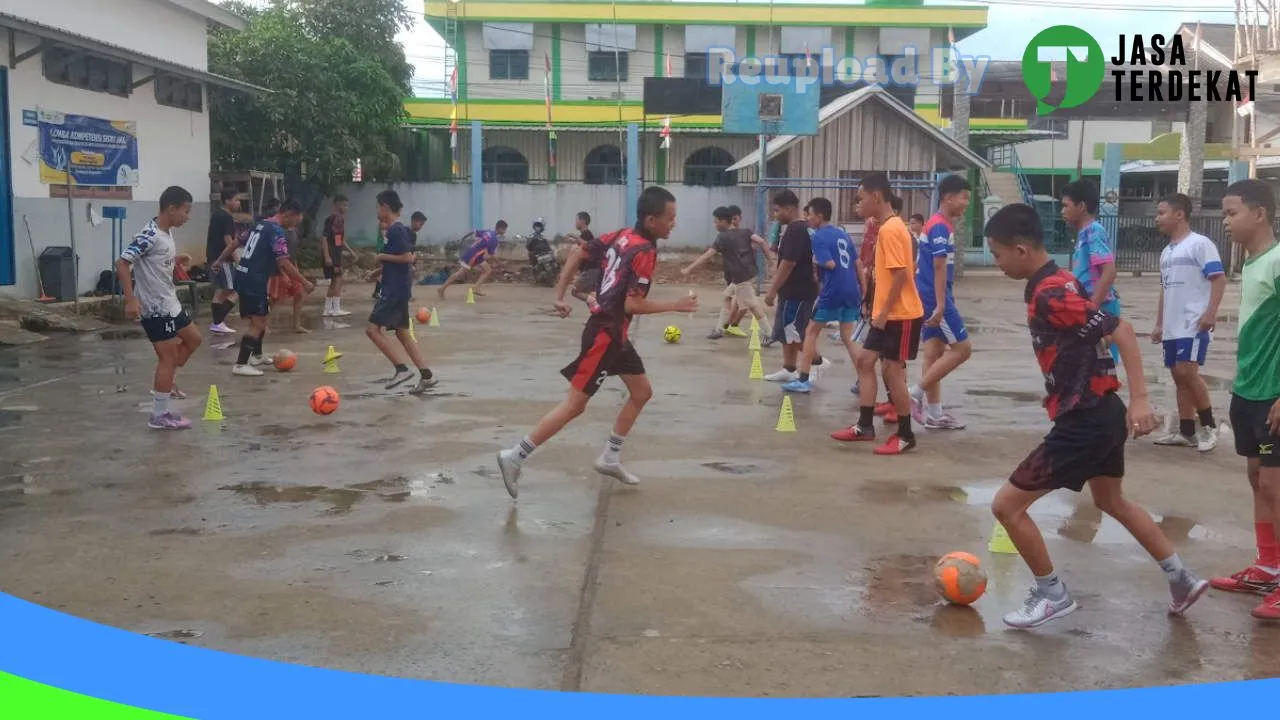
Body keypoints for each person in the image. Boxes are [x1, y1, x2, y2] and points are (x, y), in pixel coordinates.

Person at [981, 202, 1208, 629]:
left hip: (1086, 418)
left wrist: (1141, 399)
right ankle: (1182, 578)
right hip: (1100, 412)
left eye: (997, 254)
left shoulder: (1051, 291)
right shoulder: (1056, 281)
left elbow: (1119, 329)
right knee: (1111, 500)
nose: (997, 264)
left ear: (1023, 249)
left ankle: (1052, 594)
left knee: (1007, 507)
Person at [495, 187, 698, 499]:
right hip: (605, 335)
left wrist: (560, 295)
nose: (674, 223)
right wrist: (677, 305)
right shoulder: (644, 251)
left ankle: (610, 457)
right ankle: (515, 456)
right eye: (670, 218)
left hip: (615, 336)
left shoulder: (621, 235)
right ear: (651, 219)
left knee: (642, 392)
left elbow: (579, 253)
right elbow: (633, 305)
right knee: (575, 405)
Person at [1209, 179, 1280, 618]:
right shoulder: (1252, 264)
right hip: (1248, 390)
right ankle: (1268, 566)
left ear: (1260, 214)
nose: (1226, 221)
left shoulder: (1276, 261)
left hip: (1273, 393)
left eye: (1232, 213)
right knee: (1257, 478)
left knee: (1275, 483)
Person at [831, 173, 922, 454]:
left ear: (876, 196)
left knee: (893, 372)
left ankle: (906, 434)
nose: (857, 204)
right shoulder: (887, 227)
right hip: (886, 315)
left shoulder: (892, 229)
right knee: (865, 363)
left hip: (900, 315)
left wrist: (882, 314)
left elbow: (900, 276)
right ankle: (865, 426)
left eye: (860, 198)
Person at [117, 186, 204, 430]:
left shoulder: (165, 233)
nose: (188, 217)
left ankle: (168, 384)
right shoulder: (149, 234)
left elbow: (153, 261)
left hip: (170, 303)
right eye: (186, 211)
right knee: (166, 359)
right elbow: (122, 264)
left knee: (194, 339)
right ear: (171, 208)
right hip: (155, 308)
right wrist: (130, 299)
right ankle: (159, 415)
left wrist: (176, 260)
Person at [1149, 193, 1225, 452]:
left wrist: (1210, 313)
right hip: (1172, 325)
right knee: (1177, 375)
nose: (1157, 218)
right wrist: (1160, 323)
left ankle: (1209, 428)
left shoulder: (1200, 244)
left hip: (1193, 322)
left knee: (1187, 373)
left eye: (1161, 212)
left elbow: (1218, 279)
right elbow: (1164, 289)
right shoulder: (1167, 252)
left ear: (1179, 214)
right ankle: (1186, 431)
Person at [908, 175, 973, 430]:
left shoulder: (940, 224)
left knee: (933, 353)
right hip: (934, 298)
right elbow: (937, 265)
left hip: (929, 296)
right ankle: (915, 392)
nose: (966, 203)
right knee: (963, 349)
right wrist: (941, 304)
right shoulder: (939, 226)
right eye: (964, 197)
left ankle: (935, 415)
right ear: (948, 197)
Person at [782, 198, 860, 394]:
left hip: (833, 290)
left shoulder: (819, 237)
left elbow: (831, 264)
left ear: (820, 216)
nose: (807, 218)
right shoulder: (843, 234)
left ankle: (803, 379)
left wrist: (817, 261)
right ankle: (863, 377)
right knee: (847, 337)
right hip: (852, 288)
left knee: (811, 331)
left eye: (810, 214)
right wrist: (864, 289)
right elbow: (858, 264)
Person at [232, 199, 313, 377]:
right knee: (258, 322)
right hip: (254, 279)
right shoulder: (276, 231)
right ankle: (241, 364)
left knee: (263, 315)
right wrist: (304, 281)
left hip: (245, 275)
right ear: (289, 214)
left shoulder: (259, 224)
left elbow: (236, 242)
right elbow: (284, 262)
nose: (294, 226)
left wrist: (220, 260)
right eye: (296, 221)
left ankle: (257, 355)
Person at [366, 190, 437, 394]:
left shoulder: (396, 230)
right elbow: (399, 259)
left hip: (394, 290)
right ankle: (426, 376)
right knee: (402, 332)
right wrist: (379, 270)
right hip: (398, 287)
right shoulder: (395, 230)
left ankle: (401, 369)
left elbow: (407, 258)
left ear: (385, 207)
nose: (377, 211)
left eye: (378, 207)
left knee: (372, 330)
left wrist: (381, 257)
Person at [681, 207, 775, 341]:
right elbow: (761, 242)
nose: (715, 224)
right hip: (746, 274)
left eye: (716, 221)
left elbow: (707, 255)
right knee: (726, 296)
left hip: (741, 278)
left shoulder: (723, 237)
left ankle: (769, 334)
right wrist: (770, 260)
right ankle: (719, 329)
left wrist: (689, 268)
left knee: (753, 306)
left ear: (724, 221)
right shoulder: (745, 232)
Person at [763, 191, 829, 382]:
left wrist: (772, 290)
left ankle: (818, 361)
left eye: (777, 211)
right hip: (794, 290)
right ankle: (789, 368)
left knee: (794, 331)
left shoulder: (796, 230)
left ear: (789, 208)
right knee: (786, 329)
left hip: (798, 291)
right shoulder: (803, 228)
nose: (775, 215)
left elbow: (788, 263)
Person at [1062, 179, 1121, 361]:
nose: (1062, 211)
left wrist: (1092, 307)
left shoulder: (1093, 231)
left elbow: (1109, 271)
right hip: (1093, 308)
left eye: (1066, 206)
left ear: (1081, 206)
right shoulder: (1083, 234)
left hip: (1101, 308)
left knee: (1101, 371)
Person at [438, 221, 506, 299]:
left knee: (487, 270)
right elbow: (492, 255)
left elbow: (474, 231)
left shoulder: (488, 232)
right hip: (473, 257)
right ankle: (441, 289)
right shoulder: (494, 240)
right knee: (459, 274)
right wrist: (499, 263)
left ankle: (475, 288)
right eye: (504, 230)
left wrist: (463, 239)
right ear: (500, 228)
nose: (505, 232)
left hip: (475, 255)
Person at [206, 187, 240, 335]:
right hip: (222, 259)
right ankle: (217, 321)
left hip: (214, 257)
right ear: (227, 201)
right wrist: (237, 258)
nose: (238, 203)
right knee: (233, 290)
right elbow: (228, 240)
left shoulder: (217, 215)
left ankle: (218, 323)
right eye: (236, 200)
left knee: (220, 291)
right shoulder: (226, 217)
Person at [268, 218, 309, 334]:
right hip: (280, 269)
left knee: (299, 294)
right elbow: (278, 256)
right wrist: (283, 273)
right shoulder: (280, 232)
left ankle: (297, 325)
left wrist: (297, 270)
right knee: (275, 298)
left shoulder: (295, 231)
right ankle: (264, 323)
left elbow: (293, 253)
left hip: (292, 267)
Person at [321, 194, 351, 318]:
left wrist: (348, 250)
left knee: (336, 281)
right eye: (344, 205)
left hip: (336, 254)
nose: (346, 207)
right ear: (337, 204)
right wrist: (327, 256)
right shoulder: (331, 219)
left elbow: (339, 239)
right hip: (331, 255)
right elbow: (324, 238)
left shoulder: (340, 220)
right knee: (337, 280)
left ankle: (329, 309)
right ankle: (334, 308)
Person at [567, 211, 600, 305]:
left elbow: (587, 244)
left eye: (576, 220)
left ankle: (597, 304)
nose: (575, 223)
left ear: (582, 221)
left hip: (591, 270)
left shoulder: (587, 234)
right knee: (588, 295)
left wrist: (574, 237)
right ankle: (596, 316)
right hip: (591, 270)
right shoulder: (584, 235)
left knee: (575, 291)